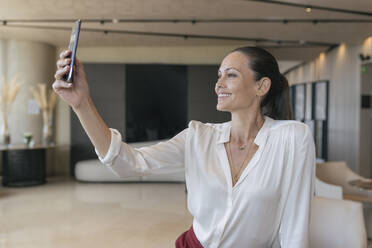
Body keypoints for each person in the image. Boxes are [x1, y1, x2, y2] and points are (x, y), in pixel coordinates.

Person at [53, 46, 315, 248]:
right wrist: (81, 104)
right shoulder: (198, 136)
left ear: (262, 86)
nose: (219, 83)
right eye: (219, 75)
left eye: (231, 75)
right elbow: (126, 163)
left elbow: (294, 224)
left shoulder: (292, 137)